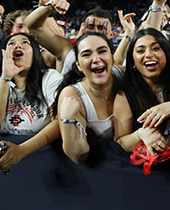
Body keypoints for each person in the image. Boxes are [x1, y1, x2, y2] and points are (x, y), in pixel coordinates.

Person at [0, 34, 63, 172]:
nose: (17, 45)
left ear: (35, 52)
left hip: (40, 159)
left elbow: (61, 121)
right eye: (11, 43)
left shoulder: (50, 78)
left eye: (25, 42)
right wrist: (5, 77)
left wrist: (22, 150)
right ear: (3, 53)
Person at [113, 28, 170, 155]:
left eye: (155, 48)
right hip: (149, 167)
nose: (148, 54)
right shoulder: (124, 95)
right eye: (140, 51)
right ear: (132, 61)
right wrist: (139, 134)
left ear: (166, 53)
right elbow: (120, 141)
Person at [54, 33, 126, 164]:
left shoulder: (123, 75)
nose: (96, 59)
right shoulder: (72, 95)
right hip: (103, 168)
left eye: (102, 51)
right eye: (86, 54)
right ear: (78, 65)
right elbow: (78, 156)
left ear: (112, 56)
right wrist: (67, 120)